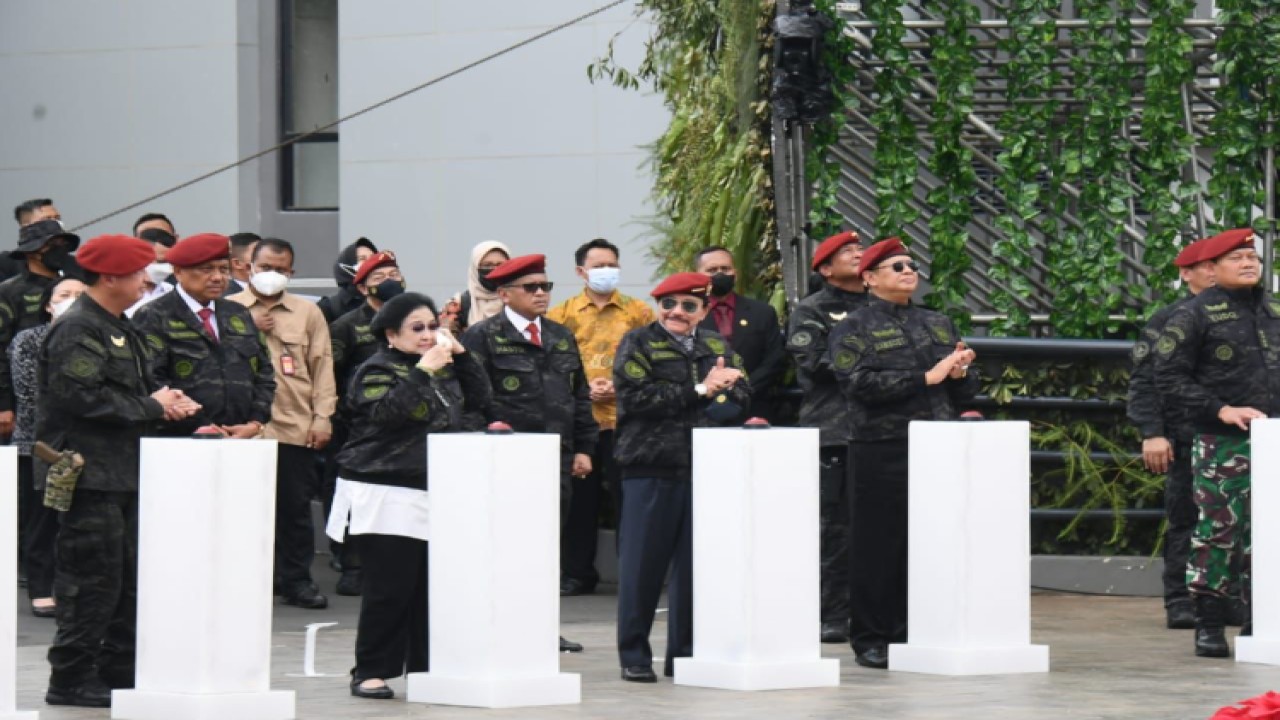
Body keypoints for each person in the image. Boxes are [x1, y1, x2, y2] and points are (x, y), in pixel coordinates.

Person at [38, 234, 200, 707]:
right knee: (93, 578)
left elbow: (132, 391)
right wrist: (151, 405)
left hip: (124, 471)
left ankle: (115, 670)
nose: (145, 281)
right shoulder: (77, 328)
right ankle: (70, 678)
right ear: (109, 276)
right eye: (136, 273)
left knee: (126, 577)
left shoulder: (116, 325)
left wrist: (165, 403)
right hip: (90, 477)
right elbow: (79, 397)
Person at [329, 292, 488, 700]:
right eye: (417, 328)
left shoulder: (444, 367)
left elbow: (482, 401)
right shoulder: (375, 370)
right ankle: (370, 670)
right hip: (385, 492)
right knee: (390, 587)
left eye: (432, 326)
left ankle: (425, 666)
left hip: (434, 488)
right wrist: (420, 371)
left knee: (429, 588)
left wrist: (463, 355)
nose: (427, 335)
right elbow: (385, 415)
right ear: (391, 334)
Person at [829, 237, 979, 670]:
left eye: (910, 265)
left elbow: (965, 390)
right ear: (870, 278)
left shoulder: (937, 323)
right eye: (895, 267)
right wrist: (925, 378)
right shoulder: (851, 328)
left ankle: (914, 631)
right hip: (882, 446)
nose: (907, 271)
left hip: (938, 445)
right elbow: (857, 385)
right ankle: (872, 637)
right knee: (878, 545)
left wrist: (961, 369)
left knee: (930, 541)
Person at [613, 271, 750, 682]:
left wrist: (722, 395)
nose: (677, 312)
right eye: (669, 304)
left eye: (689, 306)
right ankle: (634, 655)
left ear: (704, 310)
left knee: (695, 569)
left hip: (703, 469)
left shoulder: (715, 344)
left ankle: (684, 655)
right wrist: (701, 391)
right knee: (642, 566)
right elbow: (637, 398)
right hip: (651, 466)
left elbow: (743, 390)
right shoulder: (638, 342)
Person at [460, 253, 597, 654]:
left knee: (545, 548)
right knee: (503, 546)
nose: (541, 294)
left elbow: (579, 395)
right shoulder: (482, 337)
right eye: (531, 288)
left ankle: (540, 627)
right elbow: (470, 400)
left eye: (546, 286)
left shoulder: (559, 335)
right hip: (506, 462)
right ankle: (496, 625)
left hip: (555, 458)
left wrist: (585, 447)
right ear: (503, 294)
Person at [1154, 228, 1279, 658]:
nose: (1249, 264)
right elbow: (1167, 377)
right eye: (1237, 259)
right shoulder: (1194, 315)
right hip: (1223, 441)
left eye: (1253, 258)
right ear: (1212, 268)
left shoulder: (1275, 309)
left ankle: (1261, 622)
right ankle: (1208, 623)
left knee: (1269, 535)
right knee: (1220, 531)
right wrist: (1219, 408)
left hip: (1274, 442)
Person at [228, 238, 337, 610]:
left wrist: (323, 419)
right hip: (241, 428)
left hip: (293, 424)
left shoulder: (308, 312)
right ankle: (247, 579)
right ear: (247, 268)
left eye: (281, 269)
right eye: (266, 267)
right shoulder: (228, 310)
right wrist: (246, 324)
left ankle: (296, 581)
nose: (272, 275)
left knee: (294, 510)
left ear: (291, 272)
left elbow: (323, 367)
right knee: (243, 511)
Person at [546, 238, 654, 597]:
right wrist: (584, 390)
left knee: (629, 499)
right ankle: (577, 573)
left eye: (612, 264)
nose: (606, 271)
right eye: (598, 265)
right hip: (582, 422)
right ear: (581, 271)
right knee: (580, 501)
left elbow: (654, 362)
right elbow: (551, 367)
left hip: (627, 421)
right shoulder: (561, 315)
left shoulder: (638, 312)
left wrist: (620, 390)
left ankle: (634, 573)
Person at [1127, 237, 1215, 631]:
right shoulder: (1171, 319)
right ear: (1187, 273)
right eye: (1208, 265)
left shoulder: (1256, 314)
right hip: (1187, 434)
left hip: (1245, 434)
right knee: (1186, 519)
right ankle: (1181, 599)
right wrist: (1152, 432)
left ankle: (1231, 599)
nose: (1215, 271)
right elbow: (1145, 380)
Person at [785, 230, 867, 644]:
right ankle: (833, 614)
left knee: (887, 527)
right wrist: (875, 366)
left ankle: (880, 612)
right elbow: (813, 362)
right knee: (836, 529)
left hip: (885, 431)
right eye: (846, 253)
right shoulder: (812, 309)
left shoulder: (886, 306)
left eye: (859, 250)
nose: (857, 255)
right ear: (825, 268)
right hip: (835, 432)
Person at [132, 233, 275, 438]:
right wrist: (202, 425)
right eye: (206, 269)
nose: (217, 277)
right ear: (179, 271)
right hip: (180, 437)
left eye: (224, 269)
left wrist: (255, 421)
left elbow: (264, 372)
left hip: (241, 435)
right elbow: (150, 380)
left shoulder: (238, 313)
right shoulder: (154, 315)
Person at [326, 250, 406, 596]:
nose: (390, 281)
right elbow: (330, 375)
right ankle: (352, 565)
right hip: (356, 427)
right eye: (379, 277)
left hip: (405, 423)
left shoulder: (414, 320)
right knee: (354, 497)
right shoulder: (346, 326)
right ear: (361, 288)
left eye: (394, 274)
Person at [11, 276, 86, 619]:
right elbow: (29, 395)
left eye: (79, 295)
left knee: (79, 520)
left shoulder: (91, 338)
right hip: (39, 444)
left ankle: (71, 587)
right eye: (64, 295)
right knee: (41, 519)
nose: (71, 300)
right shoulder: (29, 340)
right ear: (47, 304)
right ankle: (41, 588)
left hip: (88, 445)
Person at [0, 219, 82, 440]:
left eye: (62, 243)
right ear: (31, 251)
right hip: (22, 398)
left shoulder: (78, 285)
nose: (59, 249)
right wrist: (3, 404)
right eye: (51, 244)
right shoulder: (9, 291)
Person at [693, 246, 787, 421]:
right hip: (703, 409)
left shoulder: (762, 312)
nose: (720, 274)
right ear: (698, 275)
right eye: (712, 270)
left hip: (755, 407)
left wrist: (741, 386)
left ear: (735, 274)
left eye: (725, 269)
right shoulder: (688, 315)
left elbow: (774, 359)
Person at [440, 240, 510, 333]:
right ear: (475, 268)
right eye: (487, 265)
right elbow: (446, 340)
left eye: (500, 265)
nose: (494, 270)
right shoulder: (458, 305)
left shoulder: (519, 301)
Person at [317, 238, 377, 323]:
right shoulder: (328, 307)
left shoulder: (386, 301)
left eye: (373, 258)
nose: (370, 262)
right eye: (362, 258)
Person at [125, 227, 177, 317]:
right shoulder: (123, 298)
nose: (166, 267)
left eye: (166, 262)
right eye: (157, 261)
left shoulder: (174, 290)